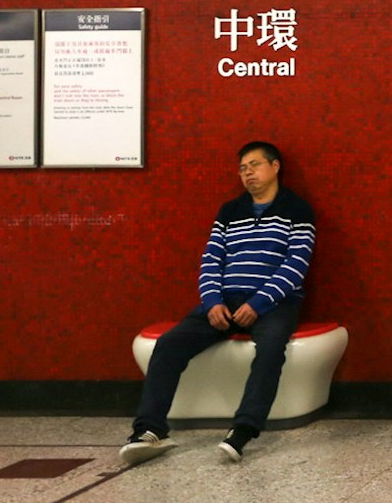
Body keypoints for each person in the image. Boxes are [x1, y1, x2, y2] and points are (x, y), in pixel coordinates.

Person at [119, 141, 317, 465]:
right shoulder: (230, 211)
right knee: (169, 345)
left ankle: (243, 430)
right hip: (223, 301)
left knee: (269, 350)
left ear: (276, 166)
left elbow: (296, 264)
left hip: (275, 303)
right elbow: (211, 259)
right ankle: (149, 430)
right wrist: (212, 302)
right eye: (242, 168)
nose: (247, 173)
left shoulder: (297, 210)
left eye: (254, 165)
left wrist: (259, 303)